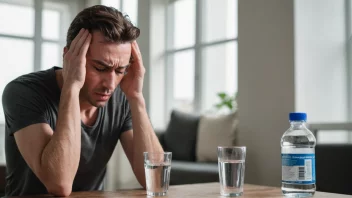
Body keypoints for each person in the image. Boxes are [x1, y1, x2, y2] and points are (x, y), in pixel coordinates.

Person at [2, 5, 163, 196]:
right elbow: (59, 185)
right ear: (69, 57)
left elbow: (155, 181)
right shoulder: (24, 92)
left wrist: (137, 98)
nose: (110, 84)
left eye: (120, 70)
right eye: (100, 68)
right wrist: (71, 87)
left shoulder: (122, 98)